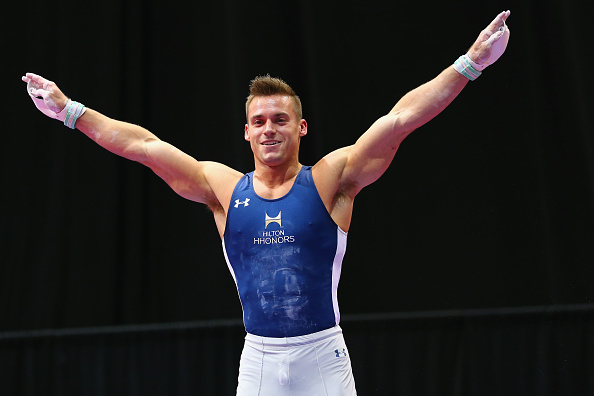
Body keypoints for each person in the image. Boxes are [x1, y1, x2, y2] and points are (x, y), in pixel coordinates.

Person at [22, 10, 511, 396]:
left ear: (300, 128)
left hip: (322, 358)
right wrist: (70, 111)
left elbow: (400, 119)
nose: (269, 129)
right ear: (246, 132)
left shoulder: (329, 180)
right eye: (259, 121)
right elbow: (142, 146)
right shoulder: (222, 188)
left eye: (280, 119)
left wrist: (469, 64)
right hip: (257, 362)